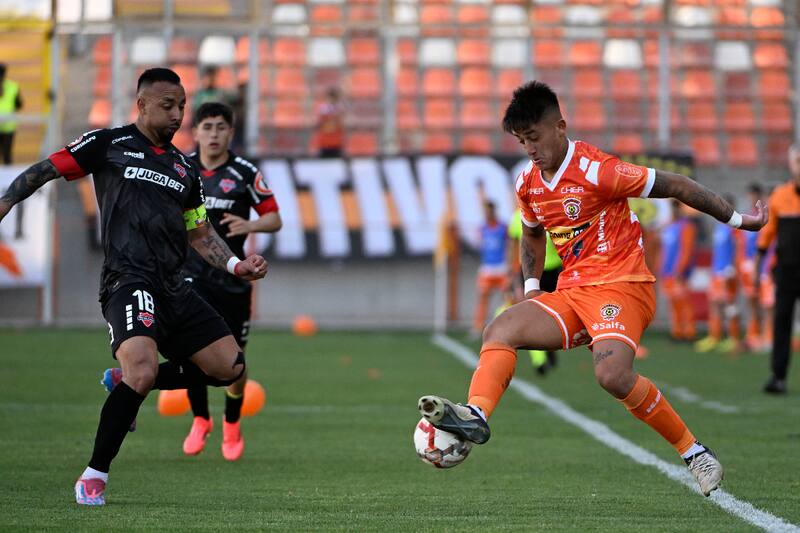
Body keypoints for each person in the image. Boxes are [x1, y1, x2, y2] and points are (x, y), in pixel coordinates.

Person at [417, 81, 767, 497]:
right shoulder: (528, 184)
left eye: (534, 137)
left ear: (560, 127)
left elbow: (675, 184)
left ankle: (694, 452)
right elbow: (530, 235)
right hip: (573, 291)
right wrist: (532, 290)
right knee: (500, 329)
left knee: (612, 375)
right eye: (521, 140)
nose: (529, 148)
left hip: (623, 286)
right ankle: (475, 414)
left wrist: (740, 222)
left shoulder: (599, 170)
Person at [0, 68, 269, 506]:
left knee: (232, 369)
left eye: (182, 106)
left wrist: (237, 265)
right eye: (169, 105)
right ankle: (94, 475)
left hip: (175, 286)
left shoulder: (184, 167)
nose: (178, 114)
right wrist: (6, 202)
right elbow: (46, 169)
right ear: (141, 104)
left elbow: (200, 234)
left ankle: (120, 381)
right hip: (128, 279)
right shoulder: (108, 144)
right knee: (141, 370)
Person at [181, 102, 282, 461]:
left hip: (234, 276)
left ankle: (232, 423)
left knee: (235, 359)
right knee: (191, 351)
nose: (213, 134)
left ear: (230, 132)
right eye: (206, 127)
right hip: (190, 274)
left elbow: (274, 218)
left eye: (220, 127)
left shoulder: (244, 172)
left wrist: (250, 225)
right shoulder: (182, 168)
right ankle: (199, 419)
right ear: (195, 132)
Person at [756, 144, 800, 394]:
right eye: (797, 160)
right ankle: (778, 376)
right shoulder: (780, 196)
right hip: (786, 271)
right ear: (791, 164)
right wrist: (757, 269)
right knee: (781, 322)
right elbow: (767, 236)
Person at [507, 207, 561, 374]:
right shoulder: (517, 217)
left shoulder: (553, 209)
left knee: (552, 314)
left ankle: (549, 348)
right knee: (531, 314)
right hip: (530, 272)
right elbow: (514, 246)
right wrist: (512, 271)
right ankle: (539, 358)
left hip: (553, 270)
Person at [695, 194, 742, 354]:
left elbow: (738, 248)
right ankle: (714, 337)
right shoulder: (719, 226)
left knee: (729, 304)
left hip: (727, 271)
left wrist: (733, 267)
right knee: (714, 303)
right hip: (717, 271)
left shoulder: (735, 227)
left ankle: (734, 338)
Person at [660, 200, 697, 342]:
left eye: (676, 208)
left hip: (678, 273)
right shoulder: (669, 227)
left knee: (684, 303)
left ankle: (689, 332)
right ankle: (677, 332)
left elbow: (686, 250)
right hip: (667, 273)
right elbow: (665, 251)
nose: (674, 211)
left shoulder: (686, 227)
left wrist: (680, 270)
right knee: (673, 303)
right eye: (672, 208)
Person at [472, 200, 509, 336]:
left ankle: (507, 326)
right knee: (482, 297)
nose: (487, 213)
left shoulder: (503, 227)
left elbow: (510, 245)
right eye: (485, 211)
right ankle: (478, 327)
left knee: (508, 297)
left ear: (494, 211)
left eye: (489, 211)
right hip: (487, 268)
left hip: (501, 268)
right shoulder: (482, 228)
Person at [737, 184, 764, 351]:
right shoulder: (748, 217)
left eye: (755, 196)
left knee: (759, 300)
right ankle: (753, 334)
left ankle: (762, 334)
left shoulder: (762, 218)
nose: (752, 199)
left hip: (757, 262)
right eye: (750, 196)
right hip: (746, 263)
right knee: (750, 299)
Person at [0, 63, 23, 165]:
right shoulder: (12, 86)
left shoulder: (13, 86)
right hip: (9, 126)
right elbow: (19, 104)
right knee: (7, 156)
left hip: (8, 125)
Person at [315, 87, 343, 158]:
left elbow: (339, 125)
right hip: (325, 143)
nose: (332, 100)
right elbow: (322, 125)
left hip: (336, 142)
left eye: (334, 97)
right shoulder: (322, 109)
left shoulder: (339, 109)